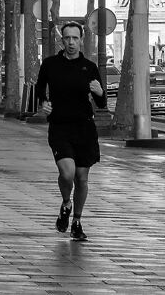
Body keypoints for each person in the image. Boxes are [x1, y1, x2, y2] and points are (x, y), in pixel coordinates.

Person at [35, 21, 106, 242]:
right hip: (60, 126)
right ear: (61, 40)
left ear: (81, 39)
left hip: (84, 127)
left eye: (75, 38)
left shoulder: (90, 67)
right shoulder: (50, 64)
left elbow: (101, 103)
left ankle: (76, 221)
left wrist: (100, 91)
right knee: (67, 173)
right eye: (67, 38)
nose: (71, 42)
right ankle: (66, 202)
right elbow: (39, 88)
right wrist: (44, 103)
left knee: (82, 178)